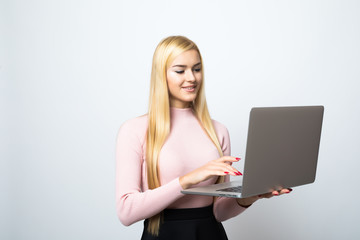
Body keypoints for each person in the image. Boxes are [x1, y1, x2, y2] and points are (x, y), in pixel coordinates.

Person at [115, 36, 291, 240]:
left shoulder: (218, 130)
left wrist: (250, 197)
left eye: (196, 69)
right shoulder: (134, 130)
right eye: (180, 70)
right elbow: (126, 212)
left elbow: (219, 212)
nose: (191, 78)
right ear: (160, 75)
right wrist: (187, 180)